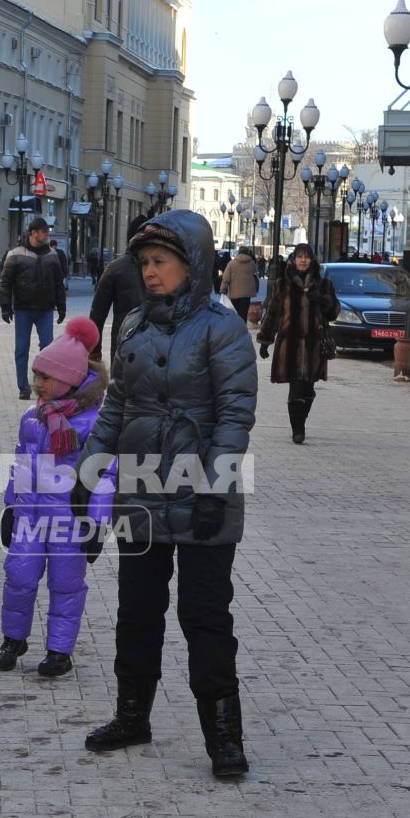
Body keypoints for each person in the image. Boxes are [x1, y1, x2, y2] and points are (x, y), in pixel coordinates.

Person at [72, 210, 257, 776]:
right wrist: (86, 475)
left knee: (204, 617)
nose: (150, 273)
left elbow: (234, 416)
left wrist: (213, 490)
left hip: (203, 496)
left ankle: (224, 738)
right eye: (145, 263)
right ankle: (133, 714)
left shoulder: (223, 328)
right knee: (137, 611)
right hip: (143, 491)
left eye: (161, 263)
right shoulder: (131, 327)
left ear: (193, 266)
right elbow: (116, 409)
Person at [0, 317, 114, 679]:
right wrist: (11, 507)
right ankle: (13, 639)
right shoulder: (33, 419)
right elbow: (21, 463)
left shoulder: (93, 424)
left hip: (70, 522)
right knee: (18, 577)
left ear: (68, 381)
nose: (38, 385)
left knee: (66, 585)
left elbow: (105, 475)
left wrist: (97, 523)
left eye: (45, 378)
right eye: (36, 377)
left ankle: (59, 650)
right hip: (30, 518)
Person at [256, 243, 339, 445]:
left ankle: (301, 418)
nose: (303, 260)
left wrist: (322, 300)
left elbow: (334, 310)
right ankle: (297, 429)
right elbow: (273, 314)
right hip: (290, 345)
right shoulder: (282, 284)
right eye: (299, 256)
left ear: (312, 260)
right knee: (296, 387)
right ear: (293, 259)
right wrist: (266, 340)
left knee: (308, 389)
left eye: (307, 257)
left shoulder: (323, 283)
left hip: (314, 345)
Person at [0, 216, 70, 400]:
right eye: (44, 231)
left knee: (48, 348)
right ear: (33, 233)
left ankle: (44, 385)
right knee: (21, 349)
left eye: (47, 231)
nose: (47, 234)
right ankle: (23, 387)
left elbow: (58, 283)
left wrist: (61, 307)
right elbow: (5, 283)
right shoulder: (15, 254)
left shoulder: (52, 255)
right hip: (23, 309)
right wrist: (5, 307)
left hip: (45, 310)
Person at [221, 244, 261, 322]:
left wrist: (223, 288)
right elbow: (256, 275)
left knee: (235, 313)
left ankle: (236, 329)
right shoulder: (252, 263)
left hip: (234, 293)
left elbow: (226, 278)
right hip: (247, 293)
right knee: (243, 314)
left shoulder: (231, 264)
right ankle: (243, 329)